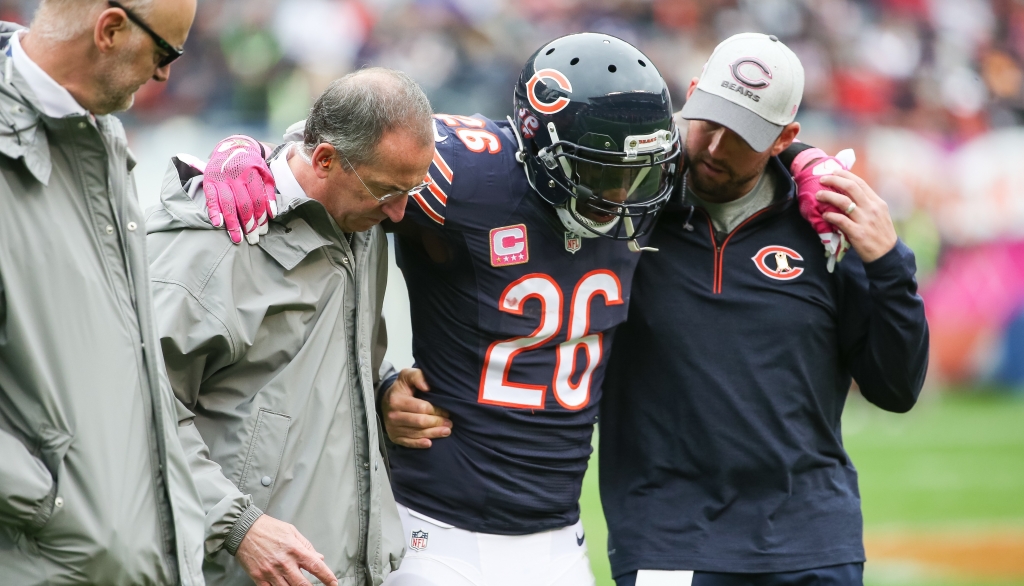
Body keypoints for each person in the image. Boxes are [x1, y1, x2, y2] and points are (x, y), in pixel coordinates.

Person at [599, 33, 929, 586]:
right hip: (667, 538)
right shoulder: (626, 210)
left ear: (784, 138)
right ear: (693, 93)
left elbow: (896, 390)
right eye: (709, 120)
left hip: (812, 543)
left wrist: (889, 265)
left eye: (744, 134)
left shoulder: (830, 231)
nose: (715, 147)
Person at [145, 68, 434, 586]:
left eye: (414, 188)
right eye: (389, 190)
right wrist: (239, 526)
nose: (399, 213)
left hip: (342, 567)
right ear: (324, 159)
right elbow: (135, 408)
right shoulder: (212, 246)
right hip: (239, 568)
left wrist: (383, 386)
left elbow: (316, 361)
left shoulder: (359, 213)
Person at [0, 1, 214, 584]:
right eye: (164, 52)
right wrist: (48, 503)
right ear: (111, 29)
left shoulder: (99, 136)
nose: (167, 74)